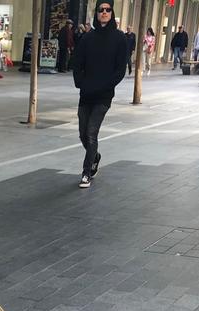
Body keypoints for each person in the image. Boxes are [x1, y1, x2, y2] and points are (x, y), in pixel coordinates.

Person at [71, 0, 127, 188]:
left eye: (107, 10)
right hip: (86, 93)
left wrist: (107, 86)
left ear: (112, 13)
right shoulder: (88, 38)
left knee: (91, 133)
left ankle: (86, 173)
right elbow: (77, 61)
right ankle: (95, 156)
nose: (104, 12)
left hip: (103, 96)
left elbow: (121, 69)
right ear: (96, 13)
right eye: (100, 10)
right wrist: (80, 82)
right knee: (82, 135)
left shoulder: (120, 38)